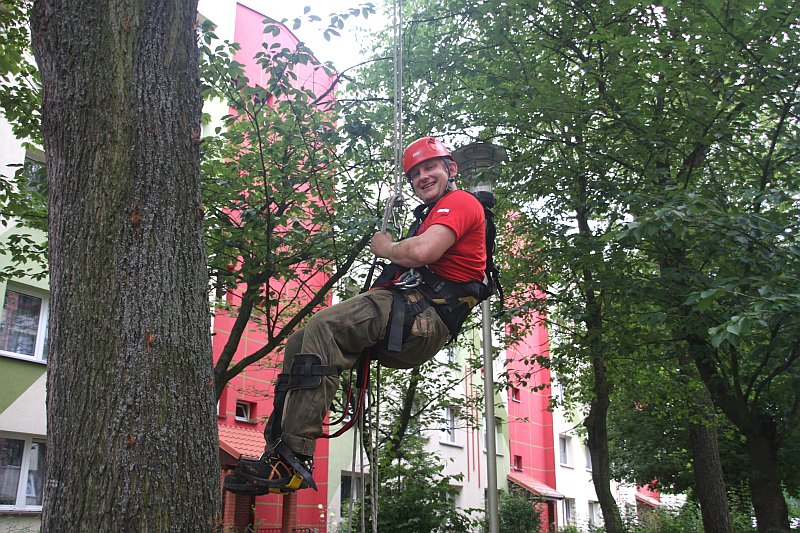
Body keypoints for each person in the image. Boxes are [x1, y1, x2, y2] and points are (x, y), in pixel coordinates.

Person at [224, 136, 490, 495]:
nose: (422, 177)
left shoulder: (460, 201)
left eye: (430, 168)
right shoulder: (432, 214)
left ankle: (295, 455)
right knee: (301, 342)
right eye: (415, 174)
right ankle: (278, 453)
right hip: (413, 312)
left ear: (451, 169)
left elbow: (424, 251)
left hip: (425, 316)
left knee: (324, 325)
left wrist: (386, 248)